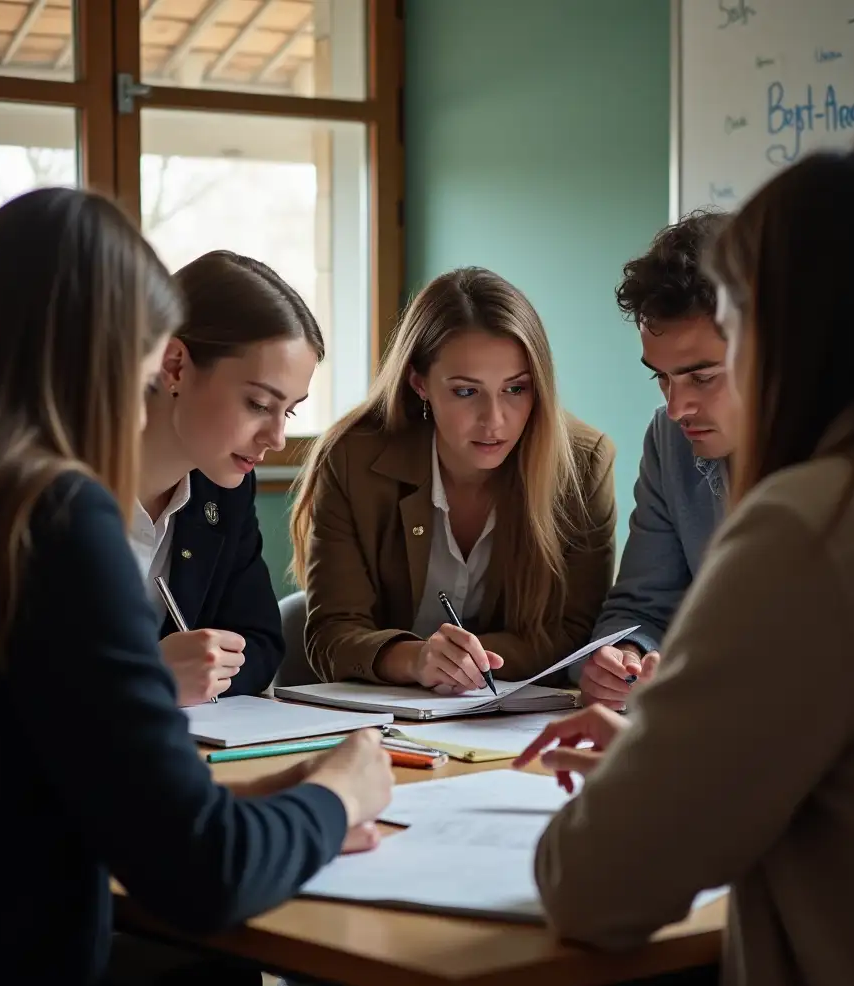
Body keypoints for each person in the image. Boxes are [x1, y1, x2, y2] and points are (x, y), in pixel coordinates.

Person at [0, 187, 394, 986]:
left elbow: (18, 774)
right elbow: (202, 875)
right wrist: (340, 796)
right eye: (142, 375)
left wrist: (257, 798)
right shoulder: (60, 517)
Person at [522, 137, 854, 986]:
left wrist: (661, 757)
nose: (683, 405)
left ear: (785, 327)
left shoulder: (812, 525)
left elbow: (596, 887)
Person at [289, 267, 617, 691]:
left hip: (513, 724)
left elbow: (576, 633)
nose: (494, 421)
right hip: (384, 716)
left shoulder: (584, 463)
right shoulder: (354, 458)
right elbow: (332, 633)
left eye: (516, 389)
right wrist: (415, 659)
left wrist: (469, 660)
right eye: (466, 391)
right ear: (420, 383)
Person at [138, 250, 322, 705]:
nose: (277, 438)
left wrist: (200, 672)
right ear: (175, 365)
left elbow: (260, 643)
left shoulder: (224, 490)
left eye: (290, 411)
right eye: (259, 404)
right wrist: (146, 676)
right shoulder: (49, 486)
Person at [572, 211, 731, 709]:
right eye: (660, 377)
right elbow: (643, 605)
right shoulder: (669, 440)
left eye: (702, 377)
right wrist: (624, 653)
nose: (676, 407)